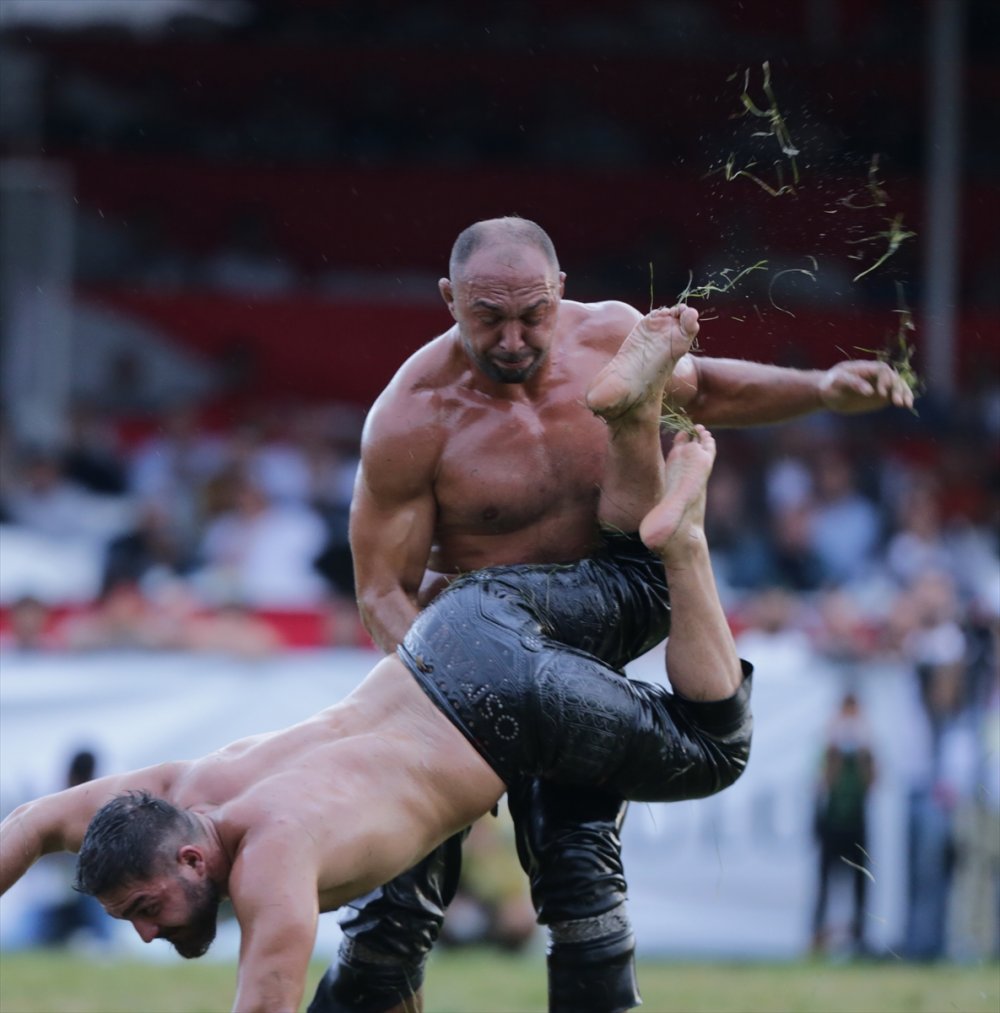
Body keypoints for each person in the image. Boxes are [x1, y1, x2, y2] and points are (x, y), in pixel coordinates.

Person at [317, 216, 915, 1013]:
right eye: (487, 318)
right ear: (447, 300)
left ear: (561, 291)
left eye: (534, 314)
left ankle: (648, 458)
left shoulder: (612, 336)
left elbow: (711, 388)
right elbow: (381, 593)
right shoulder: (410, 415)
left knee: (583, 887)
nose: (514, 338)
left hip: (595, 628)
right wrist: (460, 695)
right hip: (468, 666)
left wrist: (820, 390)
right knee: (391, 917)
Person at [1, 424, 753, 1013]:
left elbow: (264, 1002)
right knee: (380, 954)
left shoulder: (272, 860)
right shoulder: (177, 785)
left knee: (714, 747)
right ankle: (631, 424)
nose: (144, 931)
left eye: (144, 906)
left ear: (193, 860)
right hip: (456, 624)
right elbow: (33, 822)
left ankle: (684, 538)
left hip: (499, 708)